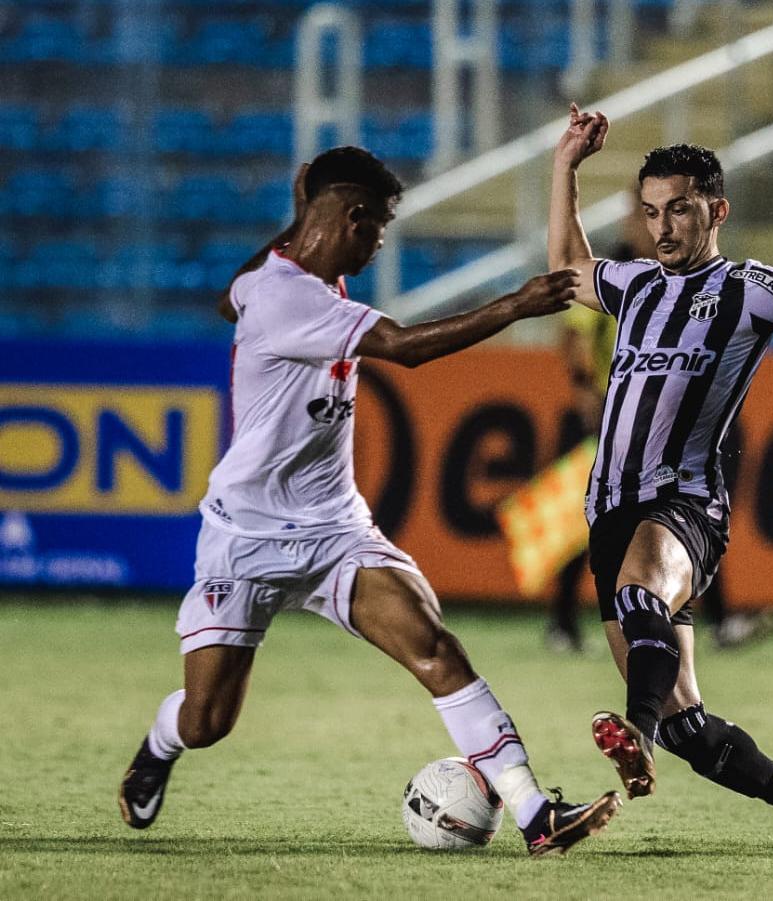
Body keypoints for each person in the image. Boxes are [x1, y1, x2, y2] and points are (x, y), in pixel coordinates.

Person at [118, 147, 622, 856]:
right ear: (351, 216)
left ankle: (537, 814)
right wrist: (517, 303)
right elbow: (405, 348)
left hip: (335, 531)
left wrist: (301, 219)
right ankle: (159, 745)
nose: (380, 241)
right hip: (246, 537)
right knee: (207, 721)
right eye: (377, 226)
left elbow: (223, 294)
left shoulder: (288, 280)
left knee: (436, 647)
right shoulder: (289, 296)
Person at [548, 104, 773, 849]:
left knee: (643, 596)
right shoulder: (636, 285)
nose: (663, 226)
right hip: (607, 511)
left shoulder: (750, 287)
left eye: (678, 208)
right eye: (651, 211)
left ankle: (633, 736)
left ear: (716, 209)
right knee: (693, 728)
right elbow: (563, 275)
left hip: (684, 505)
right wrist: (565, 169)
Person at [545, 192, 773, 653]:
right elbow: (572, 335)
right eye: (645, 214)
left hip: (660, 426)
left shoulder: (674, 282)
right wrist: (587, 395)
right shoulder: (614, 277)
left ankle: (718, 619)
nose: (653, 226)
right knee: (595, 522)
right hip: (613, 420)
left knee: (682, 515)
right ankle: (562, 622)